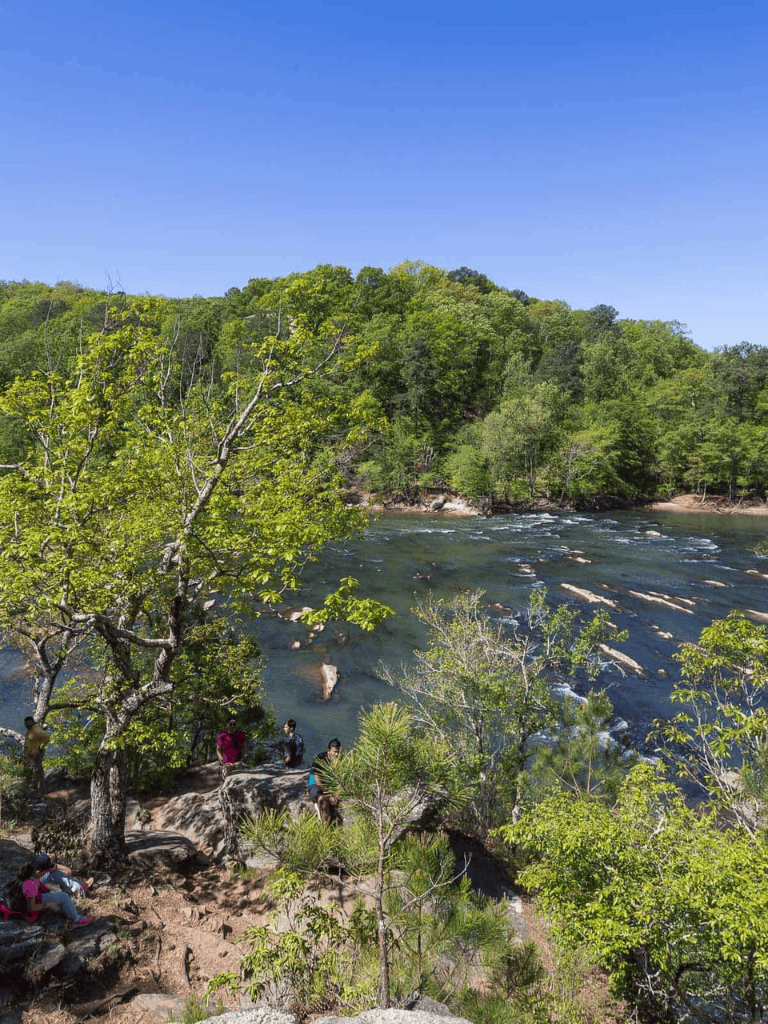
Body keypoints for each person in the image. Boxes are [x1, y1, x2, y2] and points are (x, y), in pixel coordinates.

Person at [12, 860, 92, 928]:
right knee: (64, 896)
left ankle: (76, 888)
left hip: (29, 898)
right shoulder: (31, 885)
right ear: (37, 872)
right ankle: (76, 920)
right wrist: (47, 905)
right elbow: (31, 908)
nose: (46, 872)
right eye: (45, 871)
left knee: (53, 877)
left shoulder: (29, 874)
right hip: (31, 905)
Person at [27, 853, 94, 900]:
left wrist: (55, 866)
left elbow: (69, 871)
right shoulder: (34, 883)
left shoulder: (46, 872)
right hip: (65, 892)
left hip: (69, 888)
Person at [307, 738, 341, 823]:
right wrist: (330, 795)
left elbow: (340, 781)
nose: (336, 754)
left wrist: (336, 794)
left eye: (338, 752)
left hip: (328, 782)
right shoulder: (319, 759)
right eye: (334, 752)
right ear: (328, 751)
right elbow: (318, 782)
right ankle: (325, 823)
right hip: (314, 781)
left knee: (338, 799)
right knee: (323, 800)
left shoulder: (339, 761)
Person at [23, 716, 50, 795]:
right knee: (34, 771)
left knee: (38, 771)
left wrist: (41, 747)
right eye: (26, 723)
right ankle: (36, 788)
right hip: (30, 754)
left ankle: (41, 791)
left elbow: (46, 737)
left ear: (33, 722)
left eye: (29, 723)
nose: (28, 724)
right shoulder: (30, 730)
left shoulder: (36, 730)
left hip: (35, 754)